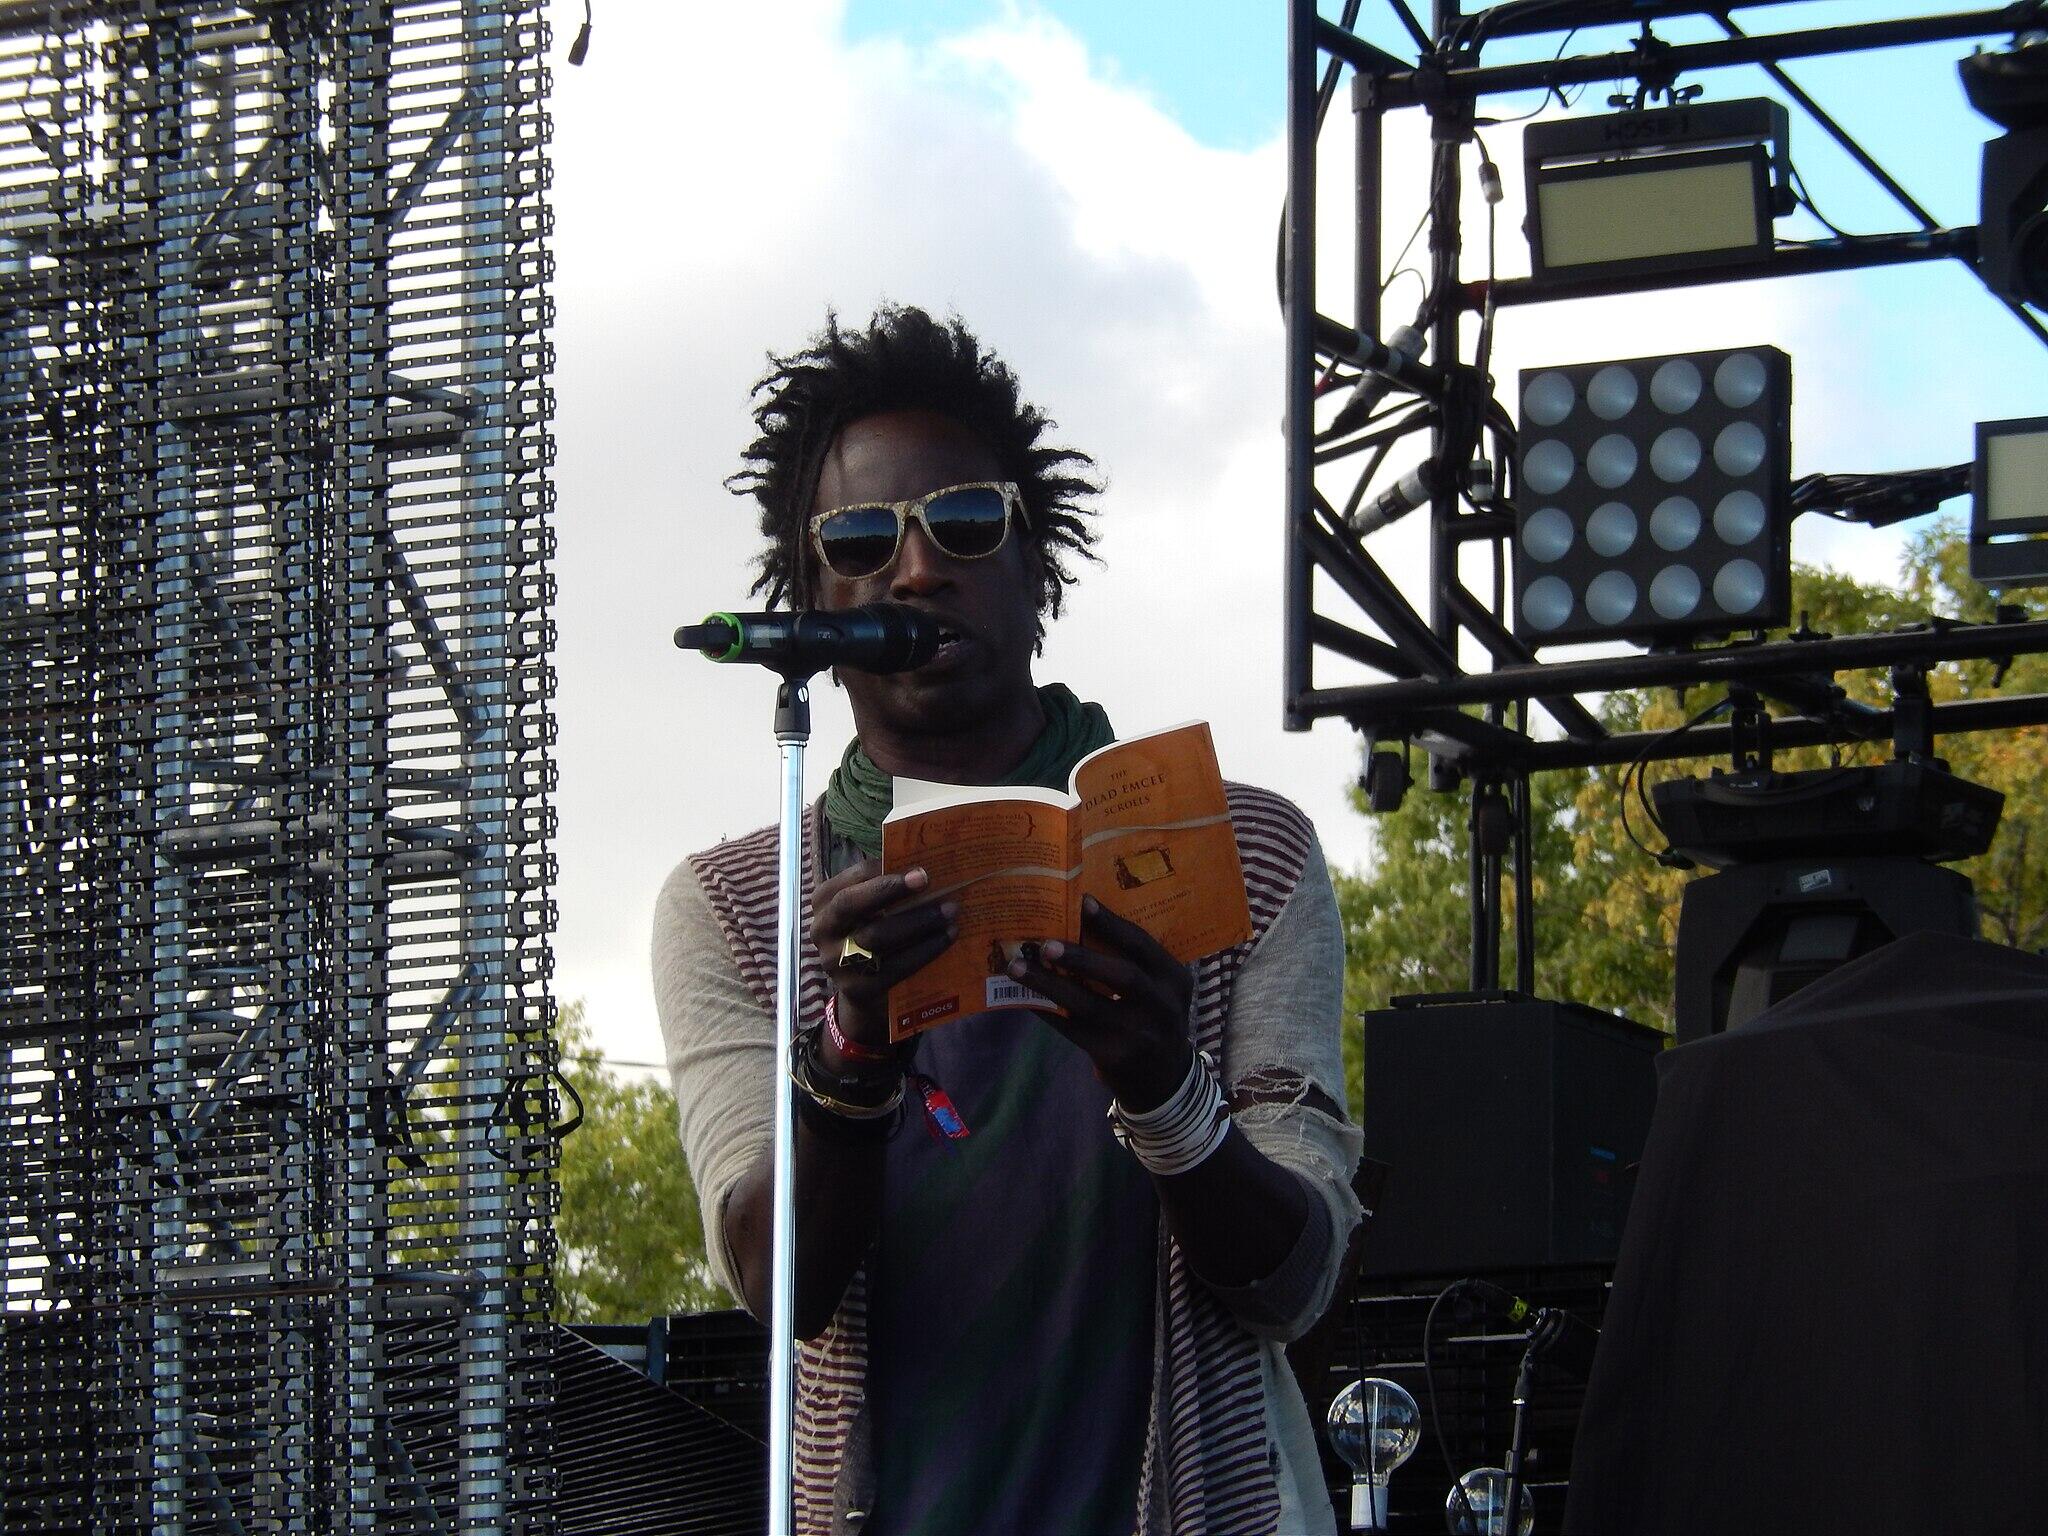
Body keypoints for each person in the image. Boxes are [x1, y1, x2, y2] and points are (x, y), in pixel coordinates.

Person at [655, 305, 1361, 1536]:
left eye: (966, 523)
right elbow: (779, 1292)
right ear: (812, 601)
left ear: (1039, 565)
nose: (918, 570)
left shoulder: (1242, 852)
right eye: (862, 541)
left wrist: (1163, 1084)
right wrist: (848, 1050)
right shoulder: (732, 909)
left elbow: (1295, 1279)